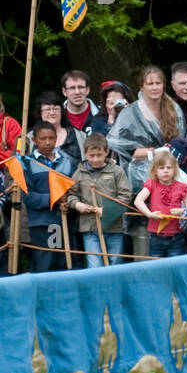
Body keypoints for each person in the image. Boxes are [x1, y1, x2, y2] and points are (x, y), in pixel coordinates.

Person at [107, 66, 187, 192]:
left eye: (158, 83)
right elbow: (127, 149)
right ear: (142, 86)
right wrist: (155, 152)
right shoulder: (129, 114)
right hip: (140, 177)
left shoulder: (174, 109)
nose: (155, 87)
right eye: (150, 84)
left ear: (163, 85)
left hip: (171, 171)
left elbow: (181, 141)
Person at [70, 134, 132, 268]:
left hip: (113, 228)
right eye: (91, 156)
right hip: (90, 228)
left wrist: (108, 210)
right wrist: (76, 204)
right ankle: (96, 289)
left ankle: (114, 288)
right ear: (85, 153)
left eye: (99, 155)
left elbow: (125, 196)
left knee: (116, 263)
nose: (96, 159)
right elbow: (70, 194)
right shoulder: (79, 173)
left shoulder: (116, 171)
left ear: (106, 152)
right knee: (94, 266)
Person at [24, 122, 76, 273]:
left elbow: (73, 190)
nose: (47, 142)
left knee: (62, 264)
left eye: (51, 138)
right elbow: (28, 197)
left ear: (56, 139)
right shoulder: (27, 163)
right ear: (34, 140)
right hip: (40, 223)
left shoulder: (65, 162)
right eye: (43, 139)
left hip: (63, 220)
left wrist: (68, 203)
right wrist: (51, 199)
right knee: (44, 264)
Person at [133, 149, 187, 259]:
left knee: (176, 264)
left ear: (175, 170)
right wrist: (149, 214)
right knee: (156, 263)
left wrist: (182, 211)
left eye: (169, 168)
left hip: (176, 235)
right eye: (161, 168)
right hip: (156, 235)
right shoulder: (152, 184)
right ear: (155, 171)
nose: (165, 171)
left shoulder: (181, 187)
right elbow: (138, 201)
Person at [30, 91, 80, 166]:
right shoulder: (28, 138)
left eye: (55, 109)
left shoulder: (79, 136)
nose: (52, 113)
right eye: (47, 109)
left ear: (61, 111)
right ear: (40, 112)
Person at [60, 70, 100, 158]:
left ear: (87, 90)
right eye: (72, 88)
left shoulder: (102, 116)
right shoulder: (56, 119)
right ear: (64, 91)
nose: (77, 92)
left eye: (81, 87)